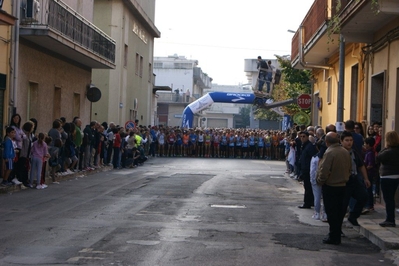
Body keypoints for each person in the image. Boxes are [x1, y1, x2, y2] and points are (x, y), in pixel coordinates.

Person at [317, 132, 352, 245]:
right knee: (338, 212)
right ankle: (335, 234)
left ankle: (334, 236)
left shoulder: (330, 152)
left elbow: (325, 170)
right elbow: (349, 168)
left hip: (331, 186)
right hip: (343, 185)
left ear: (327, 142)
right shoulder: (345, 152)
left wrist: (320, 181)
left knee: (331, 213)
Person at [340, 131, 370, 226]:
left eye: (351, 140)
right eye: (347, 140)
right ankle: (338, 227)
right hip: (343, 181)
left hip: (354, 179)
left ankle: (353, 216)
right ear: (341, 141)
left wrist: (366, 179)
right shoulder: (339, 153)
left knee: (363, 196)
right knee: (343, 205)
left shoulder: (354, 153)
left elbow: (361, 166)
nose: (349, 142)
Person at [376, 131, 399, 227]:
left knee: (388, 199)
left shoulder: (387, 152)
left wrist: (385, 148)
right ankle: (390, 218)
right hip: (396, 176)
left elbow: (378, 158)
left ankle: (390, 219)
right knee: (391, 198)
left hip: (386, 176)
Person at [298, 131, 318, 209]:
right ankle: (310, 201)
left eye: (304, 136)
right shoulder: (304, 145)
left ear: (307, 137)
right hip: (305, 169)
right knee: (307, 186)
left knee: (308, 187)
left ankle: (307, 203)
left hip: (308, 169)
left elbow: (313, 157)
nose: (302, 138)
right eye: (301, 136)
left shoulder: (309, 146)